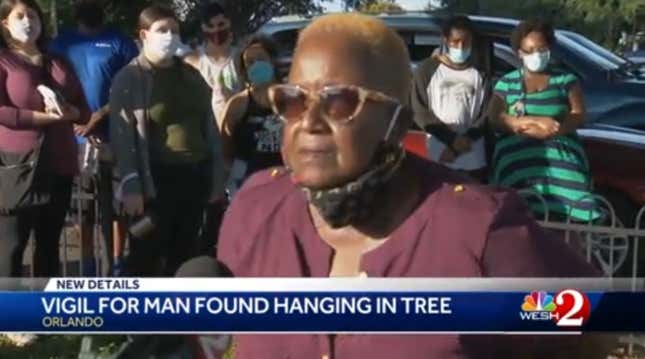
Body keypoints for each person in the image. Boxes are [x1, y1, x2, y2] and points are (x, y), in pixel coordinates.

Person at [217, 13, 605, 358]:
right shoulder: (256, 209)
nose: (310, 121)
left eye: (339, 102)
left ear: (397, 122)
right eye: (292, 101)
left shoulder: (478, 232)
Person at [109, 5, 226, 276]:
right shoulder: (129, 78)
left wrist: (217, 180)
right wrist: (131, 183)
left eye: (174, 30)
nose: (169, 36)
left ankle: (177, 316)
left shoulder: (190, 75)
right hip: (155, 182)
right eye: (162, 30)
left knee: (185, 255)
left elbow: (209, 128)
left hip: (195, 177)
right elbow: (122, 134)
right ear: (144, 34)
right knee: (145, 258)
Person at [0, 0, 90, 276]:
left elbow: (83, 110)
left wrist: (69, 111)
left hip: (59, 163)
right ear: (5, 23)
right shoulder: (5, 60)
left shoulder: (59, 61)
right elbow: (3, 112)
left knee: (49, 245)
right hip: (19, 166)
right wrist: (44, 119)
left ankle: (43, 313)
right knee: (12, 245)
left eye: (34, 15)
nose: (29, 21)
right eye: (20, 16)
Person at [49, 0, 139, 276]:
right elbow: (49, 87)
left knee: (117, 208)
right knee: (83, 211)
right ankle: (88, 266)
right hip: (74, 139)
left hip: (116, 136)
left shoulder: (120, 42)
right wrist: (76, 118)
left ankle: (116, 263)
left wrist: (98, 116)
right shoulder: (60, 44)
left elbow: (132, 86)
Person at [489, 19, 599, 222]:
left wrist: (554, 130)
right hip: (516, 155)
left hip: (559, 146)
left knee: (571, 200)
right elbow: (495, 118)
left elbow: (578, 114)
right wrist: (527, 123)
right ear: (519, 53)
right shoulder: (507, 83)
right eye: (529, 50)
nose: (536, 55)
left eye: (541, 49)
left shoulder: (565, 80)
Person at [411, 16, 490, 181]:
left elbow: (485, 113)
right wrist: (450, 140)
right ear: (445, 40)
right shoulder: (427, 69)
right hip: (439, 154)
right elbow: (420, 111)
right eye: (455, 41)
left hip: (473, 158)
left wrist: (466, 140)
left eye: (465, 42)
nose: (460, 47)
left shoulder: (480, 74)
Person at [219, 34, 283, 191]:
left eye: (261, 59)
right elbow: (224, 147)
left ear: (272, 61)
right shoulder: (238, 104)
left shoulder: (290, 97)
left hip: (286, 180)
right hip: (249, 183)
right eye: (250, 62)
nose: (256, 65)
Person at [183, 1, 241, 124]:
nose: (216, 30)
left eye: (221, 24)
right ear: (203, 27)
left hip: (237, 124)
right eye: (211, 26)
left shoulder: (240, 56)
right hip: (207, 129)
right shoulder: (193, 59)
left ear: (228, 23)